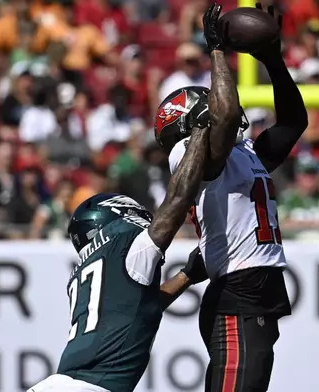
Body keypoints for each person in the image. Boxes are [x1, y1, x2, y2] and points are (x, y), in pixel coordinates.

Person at [155, 3, 308, 391]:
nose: (218, 101)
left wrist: (273, 60)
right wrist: (217, 51)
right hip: (238, 298)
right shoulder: (190, 152)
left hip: (254, 295)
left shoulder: (245, 154)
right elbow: (223, 118)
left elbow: (293, 122)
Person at [27, 122, 213, 392]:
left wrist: (186, 276)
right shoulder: (125, 243)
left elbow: (140, 307)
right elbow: (178, 199)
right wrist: (200, 132)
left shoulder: (90, 267)